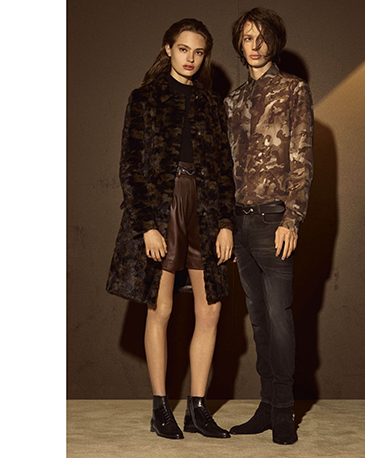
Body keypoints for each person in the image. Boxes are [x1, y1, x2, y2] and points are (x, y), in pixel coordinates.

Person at [106, 18, 235, 440]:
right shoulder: (144, 98)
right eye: (183, 49)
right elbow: (130, 167)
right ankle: (160, 407)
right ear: (168, 49)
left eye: (198, 52)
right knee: (160, 308)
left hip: (205, 206)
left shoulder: (212, 104)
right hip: (162, 207)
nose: (191, 58)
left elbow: (224, 169)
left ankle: (197, 408)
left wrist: (225, 223)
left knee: (210, 308)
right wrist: (147, 225)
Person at [224, 7, 314, 445]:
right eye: (247, 38)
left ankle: (283, 411)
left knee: (279, 318)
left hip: (274, 220)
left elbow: (302, 158)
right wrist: (225, 223)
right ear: (239, 45)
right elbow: (226, 167)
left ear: (273, 41)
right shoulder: (233, 101)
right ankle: (266, 404)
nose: (255, 45)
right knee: (258, 319)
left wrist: (292, 219)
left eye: (261, 37)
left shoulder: (293, 90)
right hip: (240, 223)